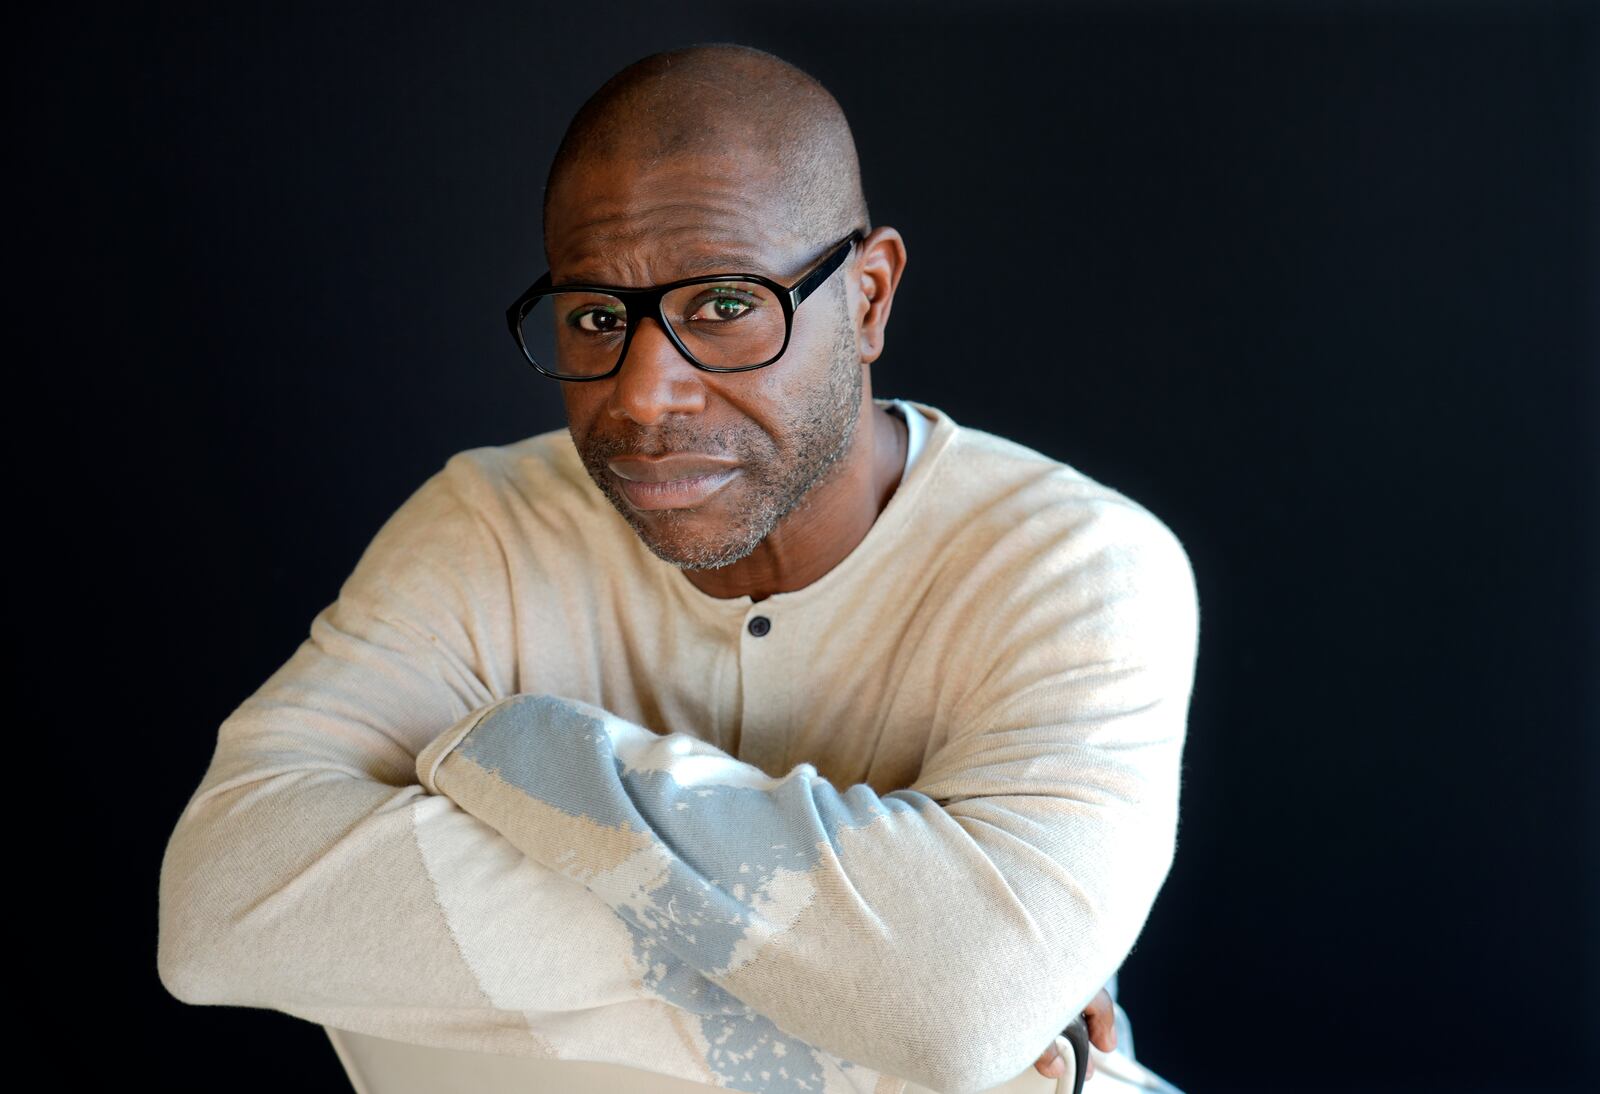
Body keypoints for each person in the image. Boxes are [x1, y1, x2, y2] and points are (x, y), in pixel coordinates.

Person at [156, 41, 1199, 1094]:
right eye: (599, 317)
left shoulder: (1078, 568)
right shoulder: (491, 525)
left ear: (869, 297)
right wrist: (859, 1001)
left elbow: (957, 1000)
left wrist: (531, 756)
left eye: (725, 305)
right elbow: (219, 906)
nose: (645, 394)